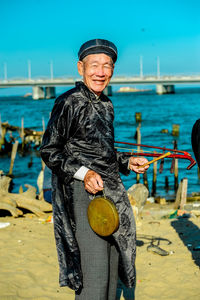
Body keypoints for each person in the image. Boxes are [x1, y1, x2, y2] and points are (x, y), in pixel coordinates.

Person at [40, 38, 149, 300]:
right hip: (81, 194)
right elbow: (49, 150)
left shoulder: (106, 105)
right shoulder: (69, 101)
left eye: (107, 66)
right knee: (95, 275)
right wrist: (84, 173)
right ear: (81, 67)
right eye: (94, 65)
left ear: (113, 70)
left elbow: (101, 152)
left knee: (112, 270)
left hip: (110, 192)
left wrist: (126, 161)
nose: (100, 72)